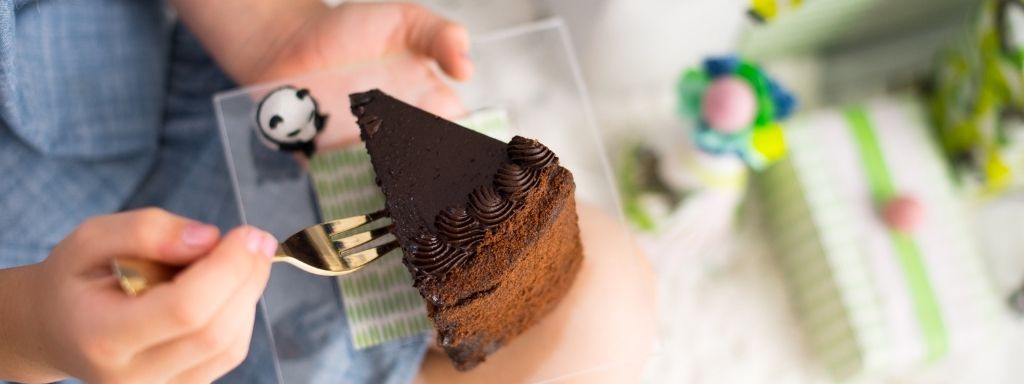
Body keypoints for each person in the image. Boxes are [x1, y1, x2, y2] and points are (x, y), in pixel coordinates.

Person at [0, 1, 656, 383]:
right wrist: (27, 329)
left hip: (200, 113)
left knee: (600, 304)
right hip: (43, 340)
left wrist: (272, 33)